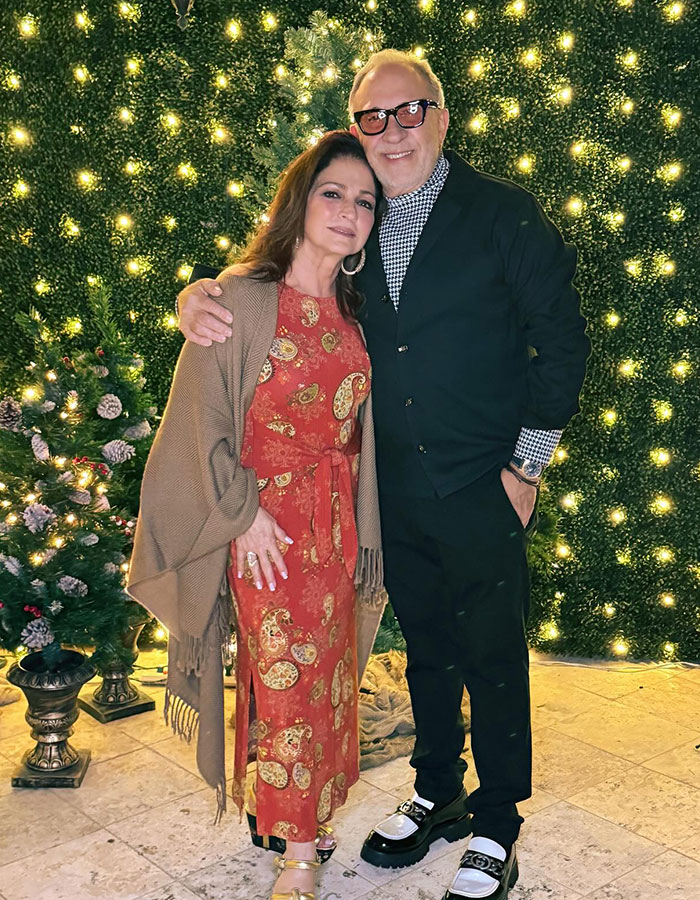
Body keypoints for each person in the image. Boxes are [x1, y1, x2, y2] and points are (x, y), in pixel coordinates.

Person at [177, 50, 590, 900]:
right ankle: (438, 792)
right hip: (385, 492)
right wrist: (196, 295)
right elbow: (273, 296)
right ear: (357, 128)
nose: (392, 131)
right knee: (429, 654)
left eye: (410, 111)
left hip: (483, 483)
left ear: (442, 115)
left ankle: (498, 818)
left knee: (492, 654)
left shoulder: (504, 217)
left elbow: (564, 346)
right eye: (374, 117)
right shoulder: (354, 228)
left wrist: (527, 466)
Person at [127, 131, 387, 900]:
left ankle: (293, 815)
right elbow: (198, 421)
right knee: (287, 683)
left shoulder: (357, 310)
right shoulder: (240, 298)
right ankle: (300, 854)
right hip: (267, 529)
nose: (348, 212)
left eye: (365, 201)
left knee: (330, 678)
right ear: (300, 202)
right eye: (332, 194)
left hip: (339, 527)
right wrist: (243, 518)